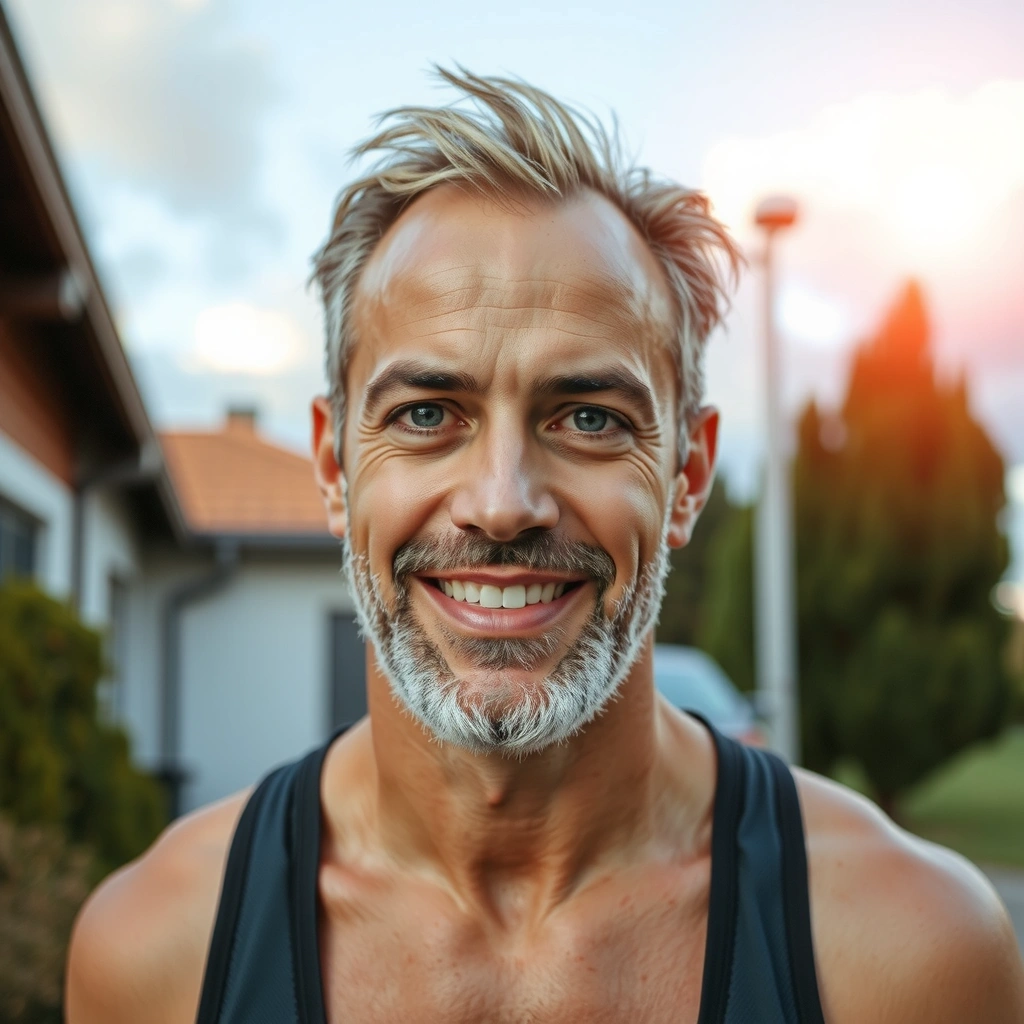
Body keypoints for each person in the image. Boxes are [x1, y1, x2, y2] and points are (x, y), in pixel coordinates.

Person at [65, 68, 1024, 1024]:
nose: (502, 503)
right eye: (429, 412)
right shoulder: (156, 955)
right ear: (333, 463)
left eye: (592, 419)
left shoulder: (912, 955)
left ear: (687, 476)